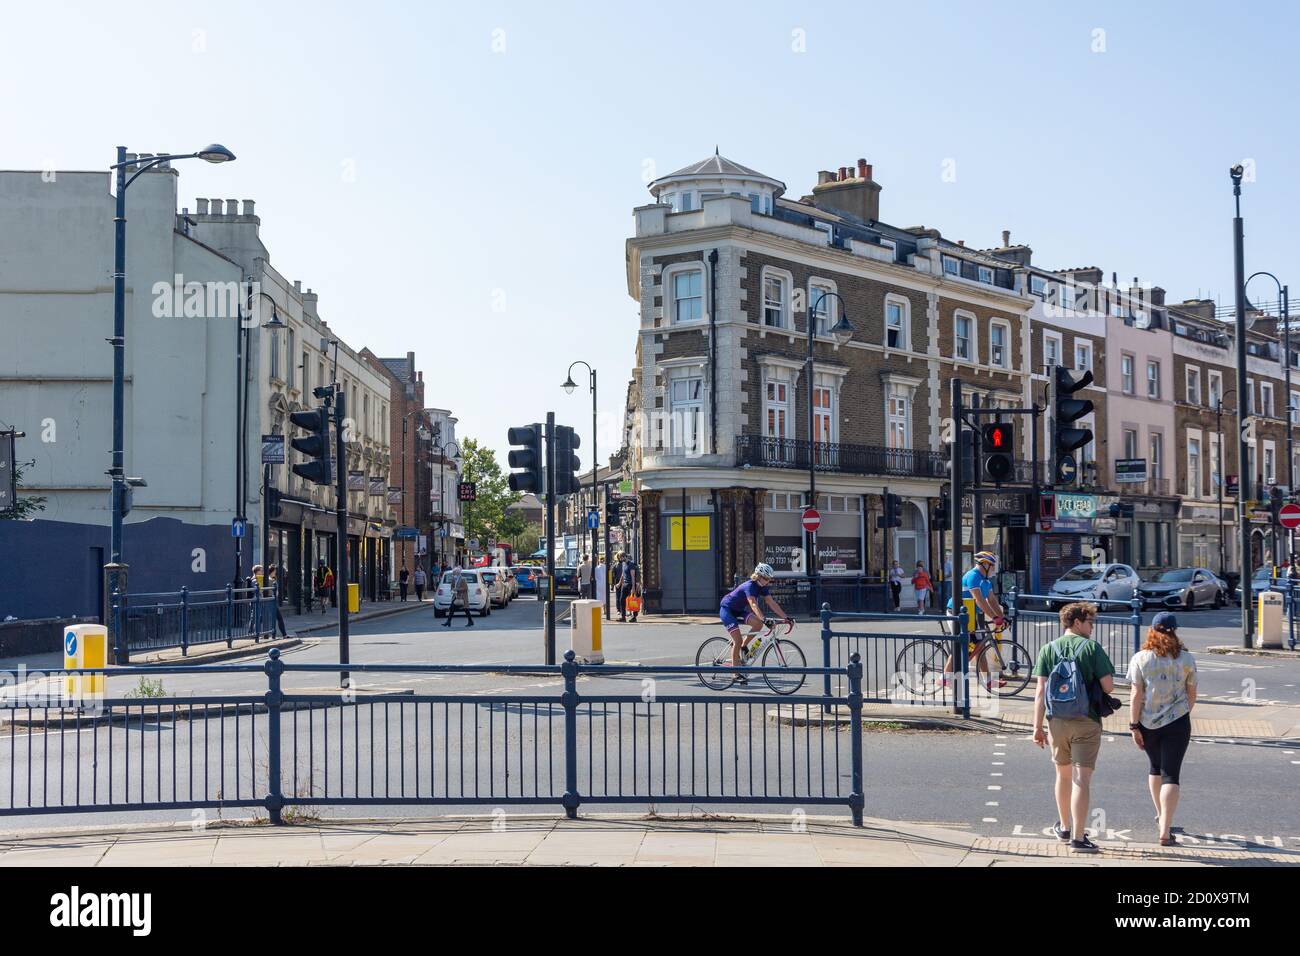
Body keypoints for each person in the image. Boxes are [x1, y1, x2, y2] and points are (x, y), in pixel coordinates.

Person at [1031, 601, 1116, 853]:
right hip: (1086, 720)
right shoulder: (1091, 648)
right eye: (1090, 622)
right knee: (1082, 780)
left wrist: (1037, 726)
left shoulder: (1048, 649)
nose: (1092, 628)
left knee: (1063, 775)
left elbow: (1040, 691)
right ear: (1077, 622)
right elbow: (1109, 686)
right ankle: (1079, 838)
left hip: (1056, 720)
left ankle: (1065, 828)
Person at [1127, 611, 1197, 847]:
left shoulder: (1140, 658)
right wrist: (1181, 713)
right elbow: (1191, 695)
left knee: (1155, 768)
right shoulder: (1187, 659)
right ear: (1175, 631)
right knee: (1171, 775)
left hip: (1148, 723)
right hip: (1178, 722)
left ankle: (1160, 814)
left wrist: (1134, 725)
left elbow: (1136, 695)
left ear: (1152, 630)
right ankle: (1165, 830)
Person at [944, 551, 1008, 691]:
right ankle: (944, 678)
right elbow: (980, 601)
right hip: (957, 613)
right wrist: (995, 618)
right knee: (962, 645)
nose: (993, 569)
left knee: (980, 646)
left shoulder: (985, 580)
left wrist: (1002, 617)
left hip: (971, 615)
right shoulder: (973, 576)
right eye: (992, 566)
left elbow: (991, 600)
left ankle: (988, 681)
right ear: (984, 564)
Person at [718, 563, 793, 680]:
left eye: (769, 579)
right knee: (737, 640)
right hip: (727, 610)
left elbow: (771, 603)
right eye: (766, 578)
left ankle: (743, 646)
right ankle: (735, 673)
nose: (768, 581)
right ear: (759, 576)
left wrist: (786, 617)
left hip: (738, 610)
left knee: (758, 624)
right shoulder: (750, 586)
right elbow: (753, 604)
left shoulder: (763, 587)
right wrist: (764, 619)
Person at [614, 551, 640, 622]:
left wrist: (633, 588)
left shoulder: (631, 564)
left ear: (624, 557)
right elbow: (623, 574)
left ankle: (634, 617)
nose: (620, 559)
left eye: (620, 558)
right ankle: (623, 617)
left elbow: (633, 576)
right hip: (624, 584)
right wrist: (619, 583)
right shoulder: (623, 564)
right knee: (622, 600)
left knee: (633, 600)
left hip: (630, 584)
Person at [266, 566, 290, 637]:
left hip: (271, 600)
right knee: (279, 617)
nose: (275, 573)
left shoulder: (271, 579)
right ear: (272, 571)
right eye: (275, 571)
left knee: (263, 618)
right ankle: (283, 634)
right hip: (271, 600)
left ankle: (255, 633)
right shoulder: (270, 580)